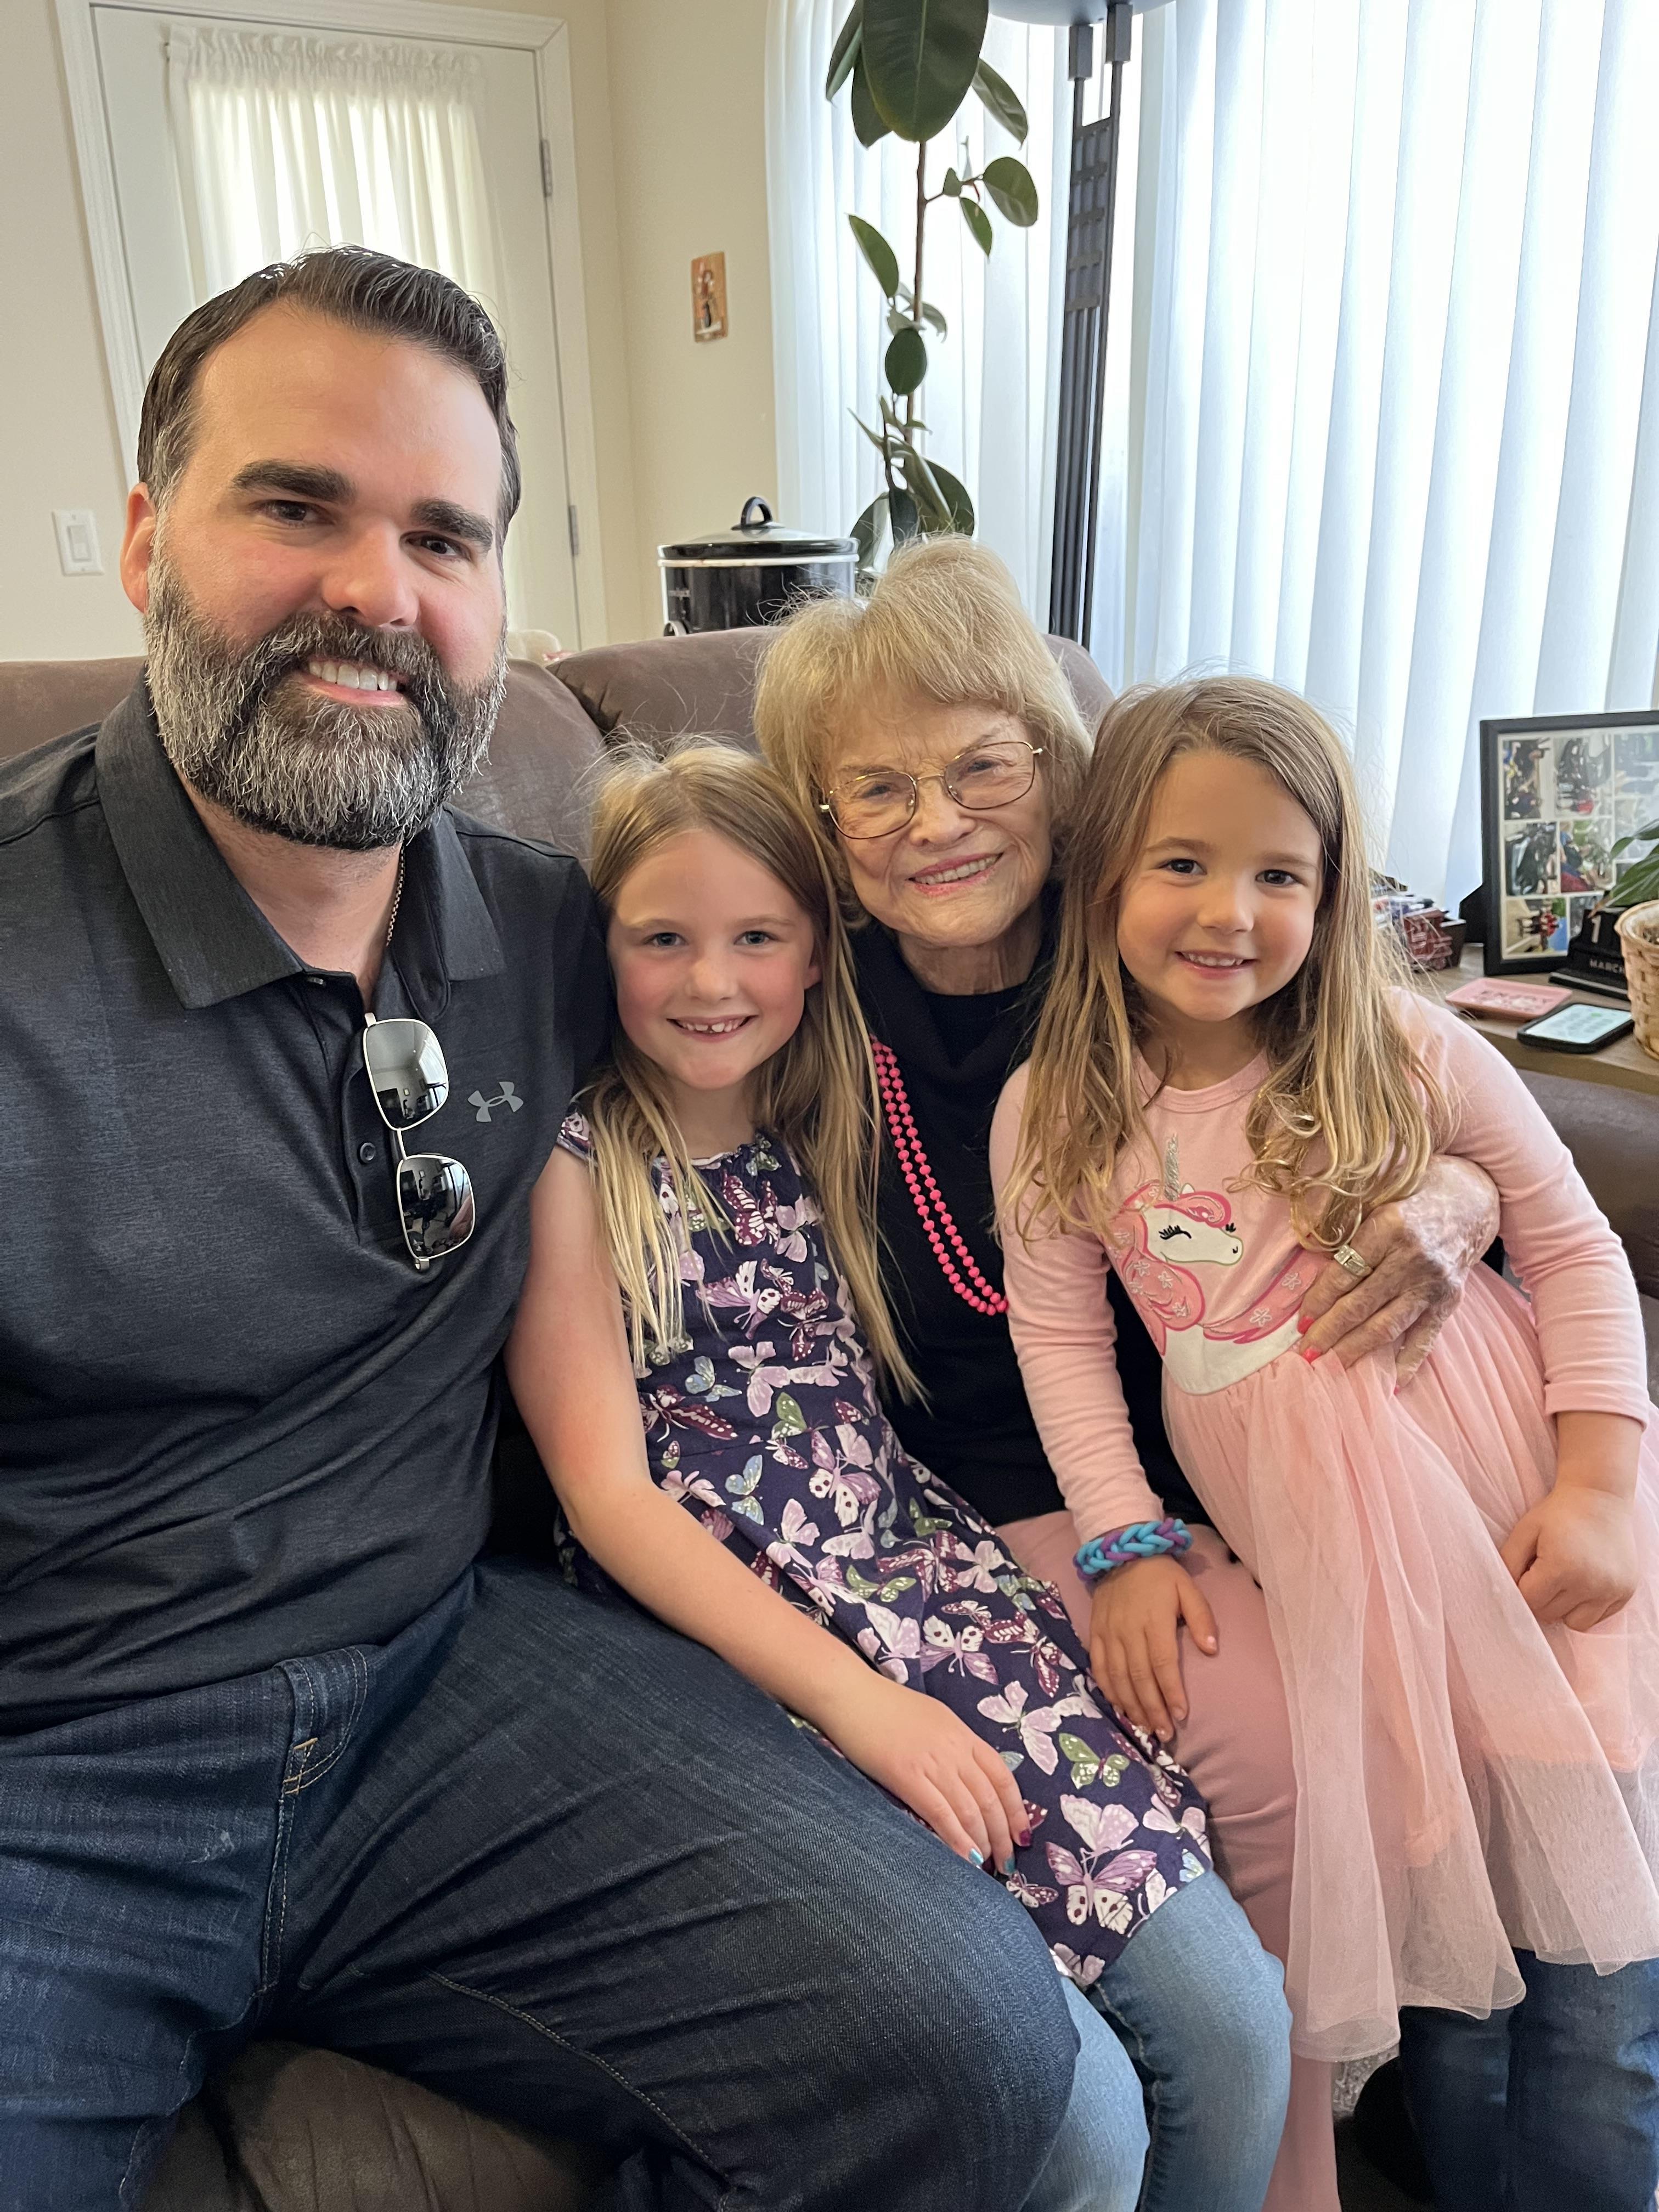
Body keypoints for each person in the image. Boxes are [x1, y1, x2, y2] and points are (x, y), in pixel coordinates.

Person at [0, 248, 1084, 2210]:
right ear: (149, 535)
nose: (375, 589)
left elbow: (896, 1003)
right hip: (57, 1764)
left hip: (449, 1686)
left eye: (443, 534)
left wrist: (1328, 1141)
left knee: (968, 2045)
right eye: (295, 504)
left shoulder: (563, 936)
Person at [753, 536, 1502, 2211]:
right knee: (1266, 1735)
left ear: (1062, 768)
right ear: (818, 820)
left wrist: (1456, 1197)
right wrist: (1116, 1547)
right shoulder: (798, 1006)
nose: (933, 820)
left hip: (1261, 1456)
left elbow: (1420, 1095)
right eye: (873, 788)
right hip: (1014, 1503)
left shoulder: (1168, 970)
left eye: (978, 765)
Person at [505, 740, 1293, 2212]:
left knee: (1240, 2030)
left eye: (757, 937)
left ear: (820, 959)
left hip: (935, 1595)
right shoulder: (577, 1158)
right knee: (1086, 2117)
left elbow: (1187, 1086)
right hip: (725, 1660)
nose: (709, 980)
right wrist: (860, 1706)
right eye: (660, 937)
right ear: (595, 947)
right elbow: (607, 1502)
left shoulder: (834, 1123)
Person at [995, 674, 1659, 2212]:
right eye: (1183, 863)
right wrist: (1123, 1541)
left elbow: (1571, 1244)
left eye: (1278, 873)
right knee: (1454, 1945)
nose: (1229, 910)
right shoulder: (1056, 1110)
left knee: (1595, 1961)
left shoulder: (1406, 1048)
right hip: (1339, 1582)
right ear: (1102, 877)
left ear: (1334, 888)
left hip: (1510, 1523)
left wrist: (1604, 1481)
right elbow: (1061, 1339)